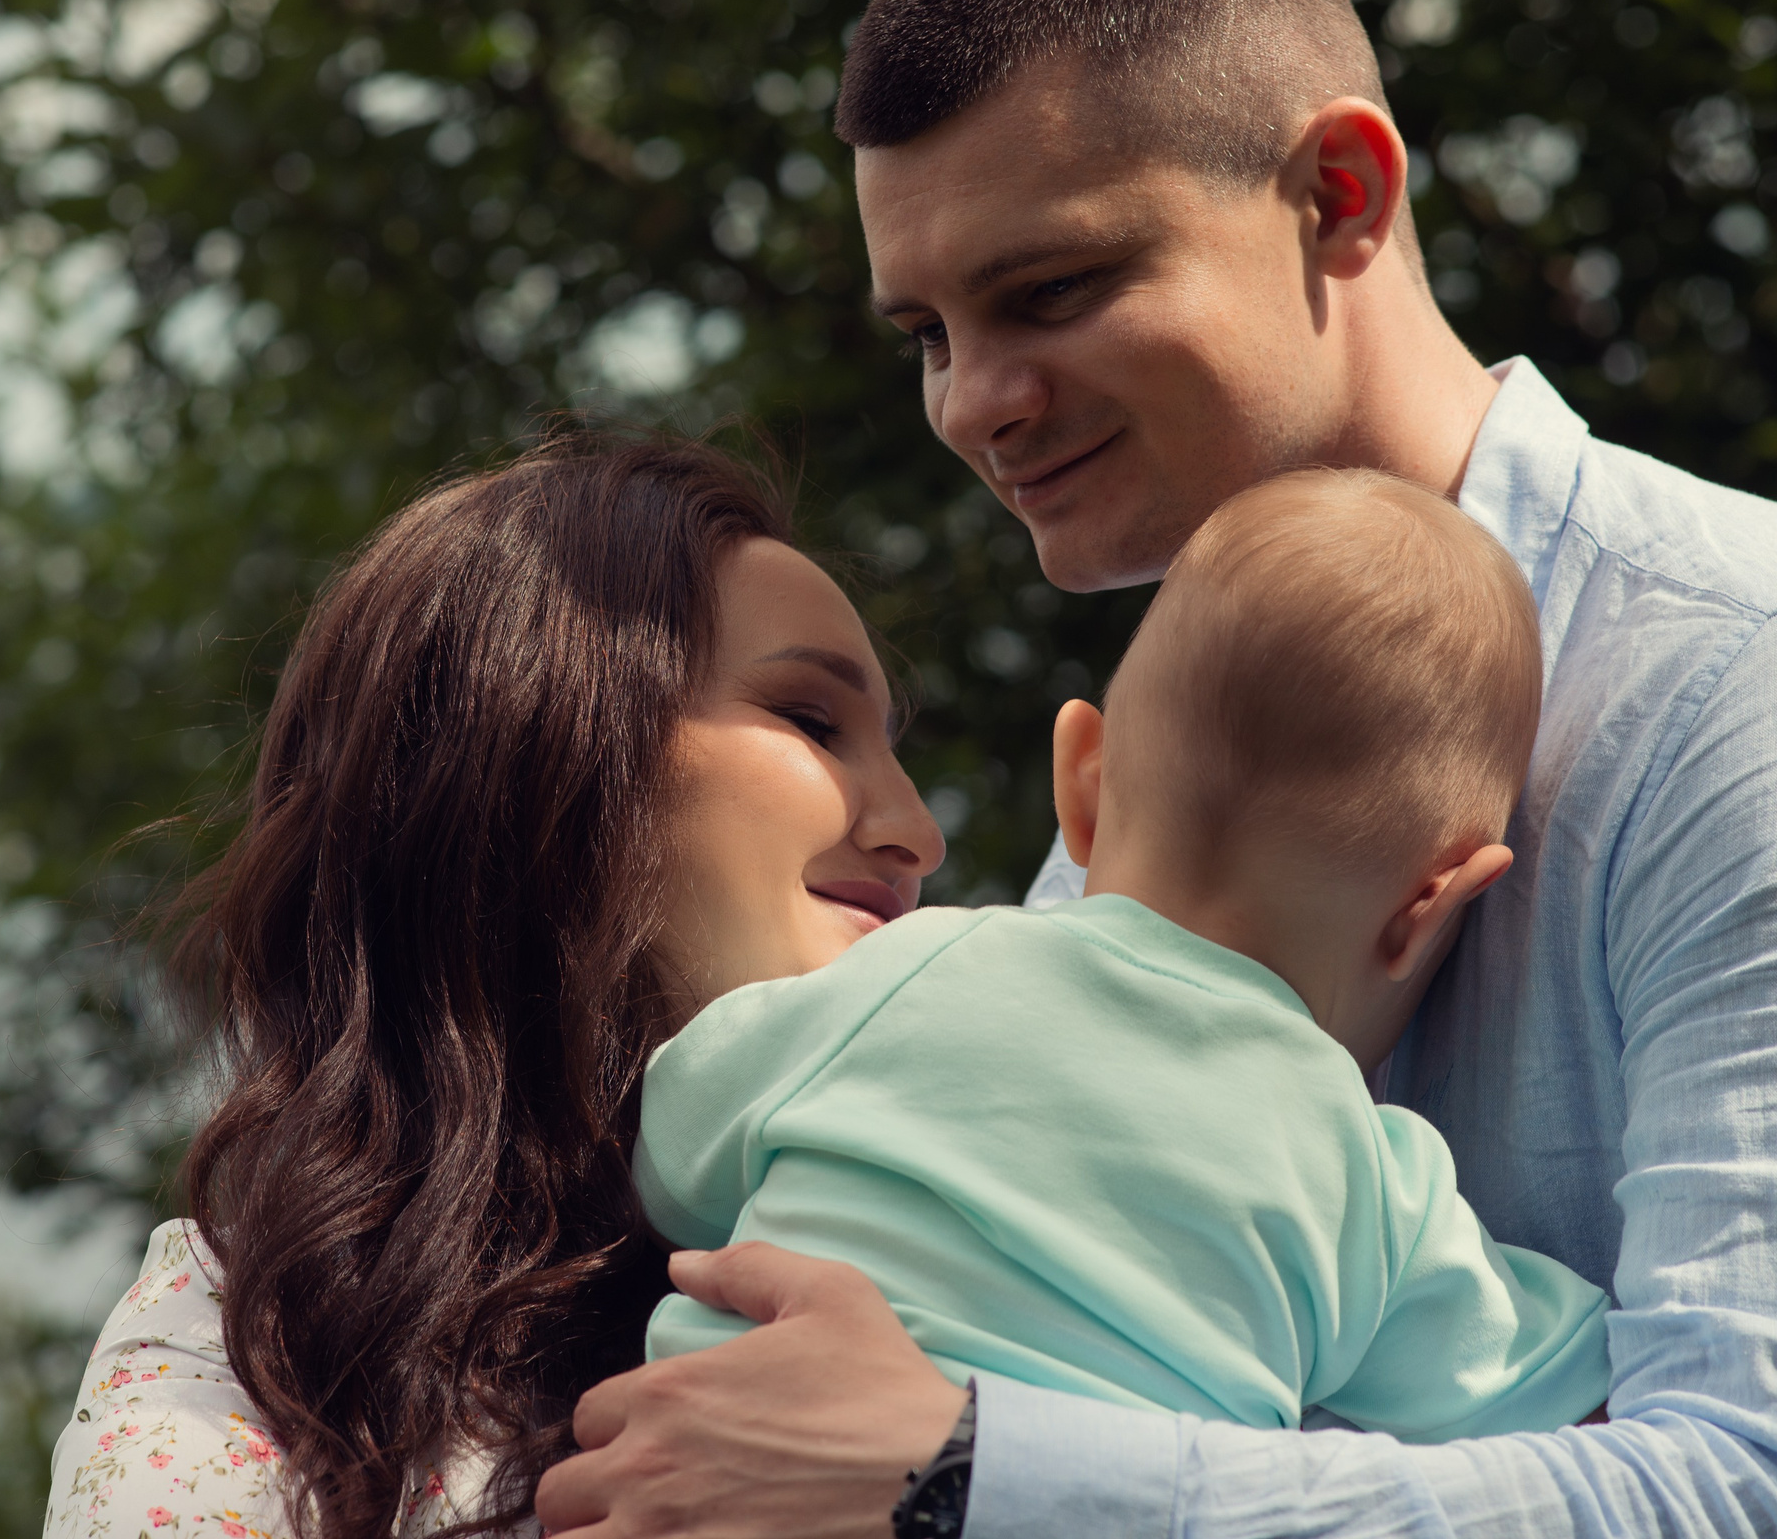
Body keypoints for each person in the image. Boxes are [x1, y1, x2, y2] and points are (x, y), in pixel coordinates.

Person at [532, 0, 1777, 1539]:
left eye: (1054, 289)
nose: (973, 404)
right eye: (931, 334)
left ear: (1340, 196)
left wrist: (967, 1469)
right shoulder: (1103, 861)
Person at [40, 434, 945, 1539]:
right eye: (811, 720)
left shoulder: (971, 1239)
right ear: (546, 759)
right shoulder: (242, 1355)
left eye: (893, 746)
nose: (918, 833)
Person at [639, 470, 1612, 1441]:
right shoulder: (1368, 1176)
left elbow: (675, 1154)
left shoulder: (909, 968)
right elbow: (1565, 1389)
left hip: (695, 1476)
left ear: (1083, 786)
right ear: (1431, 902)